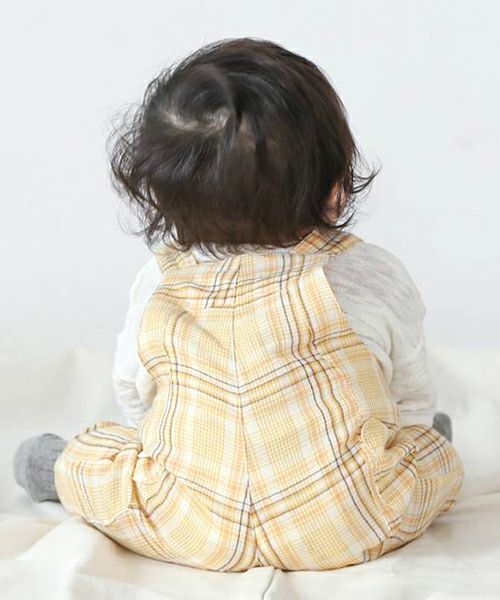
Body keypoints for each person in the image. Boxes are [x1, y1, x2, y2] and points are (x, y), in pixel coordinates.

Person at [12, 37, 463, 572]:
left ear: (163, 198)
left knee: (116, 473)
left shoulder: (159, 280)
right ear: (334, 186)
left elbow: (134, 390)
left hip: (189, 519)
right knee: (432, 455)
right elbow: (409, 391)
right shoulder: (372, 273)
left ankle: (57, 469)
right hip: (346, 520)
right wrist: (405, 437)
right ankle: (417, 454)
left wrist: (169, 450)